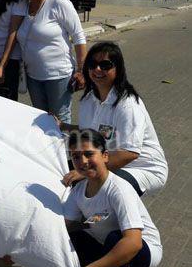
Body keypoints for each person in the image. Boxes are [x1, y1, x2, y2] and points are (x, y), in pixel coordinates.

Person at [60, 42, 167, 196]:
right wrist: (63, 126)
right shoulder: (88, 100)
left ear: (118, 69)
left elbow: (129, 153)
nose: (97, 69)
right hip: (104, 160)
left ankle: (116, 218)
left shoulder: (127, 104)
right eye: (93, 64)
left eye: (105, 65)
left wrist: (85, 172)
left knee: (103, 190)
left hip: (141, 168)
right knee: (60, 168)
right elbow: (88, 132)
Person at [64, 129, 162, 267]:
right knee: (71, 237)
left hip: (144, 250)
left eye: (89, 154)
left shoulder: (119, 189)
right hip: (106, 242)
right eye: (76, 157)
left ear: (105, 156)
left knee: (115, 239)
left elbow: (133, 242)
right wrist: (20, 249)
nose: (82, 161)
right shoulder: (78, 190)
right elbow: (62, 226)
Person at [2, 0, 86, 123]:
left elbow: (78, 36)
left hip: (59, 76)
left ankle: (63, 149)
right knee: (42, 122)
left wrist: (82, 70)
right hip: (33, 76)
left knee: (59, 122)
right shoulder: (23, 7)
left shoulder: (58, 3)